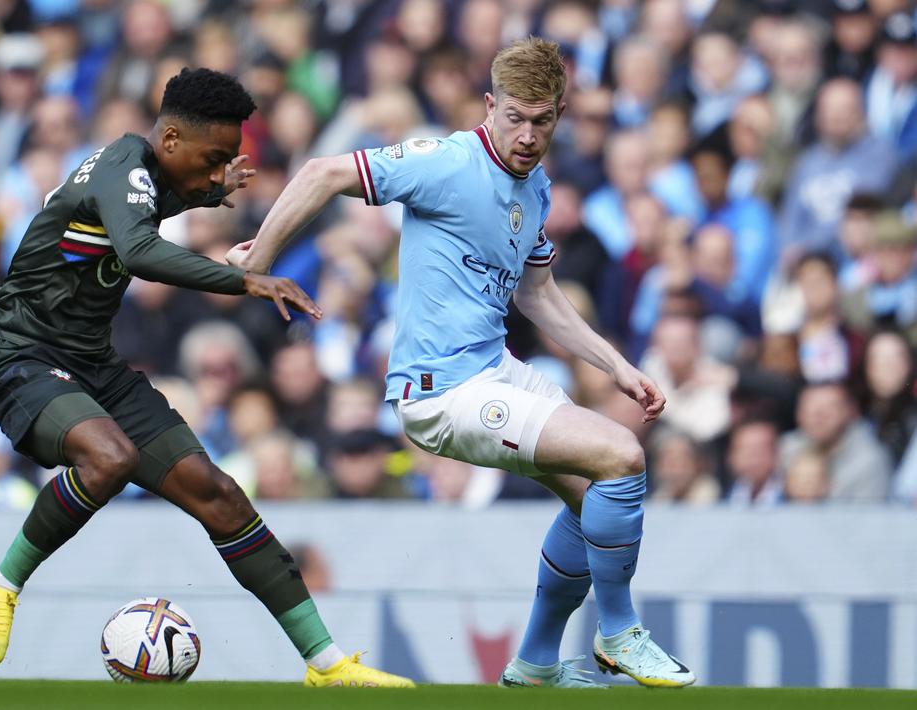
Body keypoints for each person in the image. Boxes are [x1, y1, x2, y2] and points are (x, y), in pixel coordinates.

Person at [232, 38, 694, 688]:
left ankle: (534, 664)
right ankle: (617, 633)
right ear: (488, 106)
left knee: (596, 498)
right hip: (440, 390)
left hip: (492, 370)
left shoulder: (532, 188)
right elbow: (320, 173)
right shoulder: (445, 161)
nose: (527, 134)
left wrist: (614, 364)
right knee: (620, 453)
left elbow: (536, 292)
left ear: (558, 115)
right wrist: (256, 264)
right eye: (514, 117)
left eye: (541, 120)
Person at [0, 67, 410, 688]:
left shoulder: (146, 174)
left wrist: (204, 192)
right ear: (170, 138)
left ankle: (326, 666)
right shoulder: (125, 170)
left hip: (91, 363)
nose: (218, 171)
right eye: (213, 158)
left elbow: (157, 206)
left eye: (227, 160)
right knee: (109, 458)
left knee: (220, 495)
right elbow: (142, 252)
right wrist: (245, 278)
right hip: (21, 353)